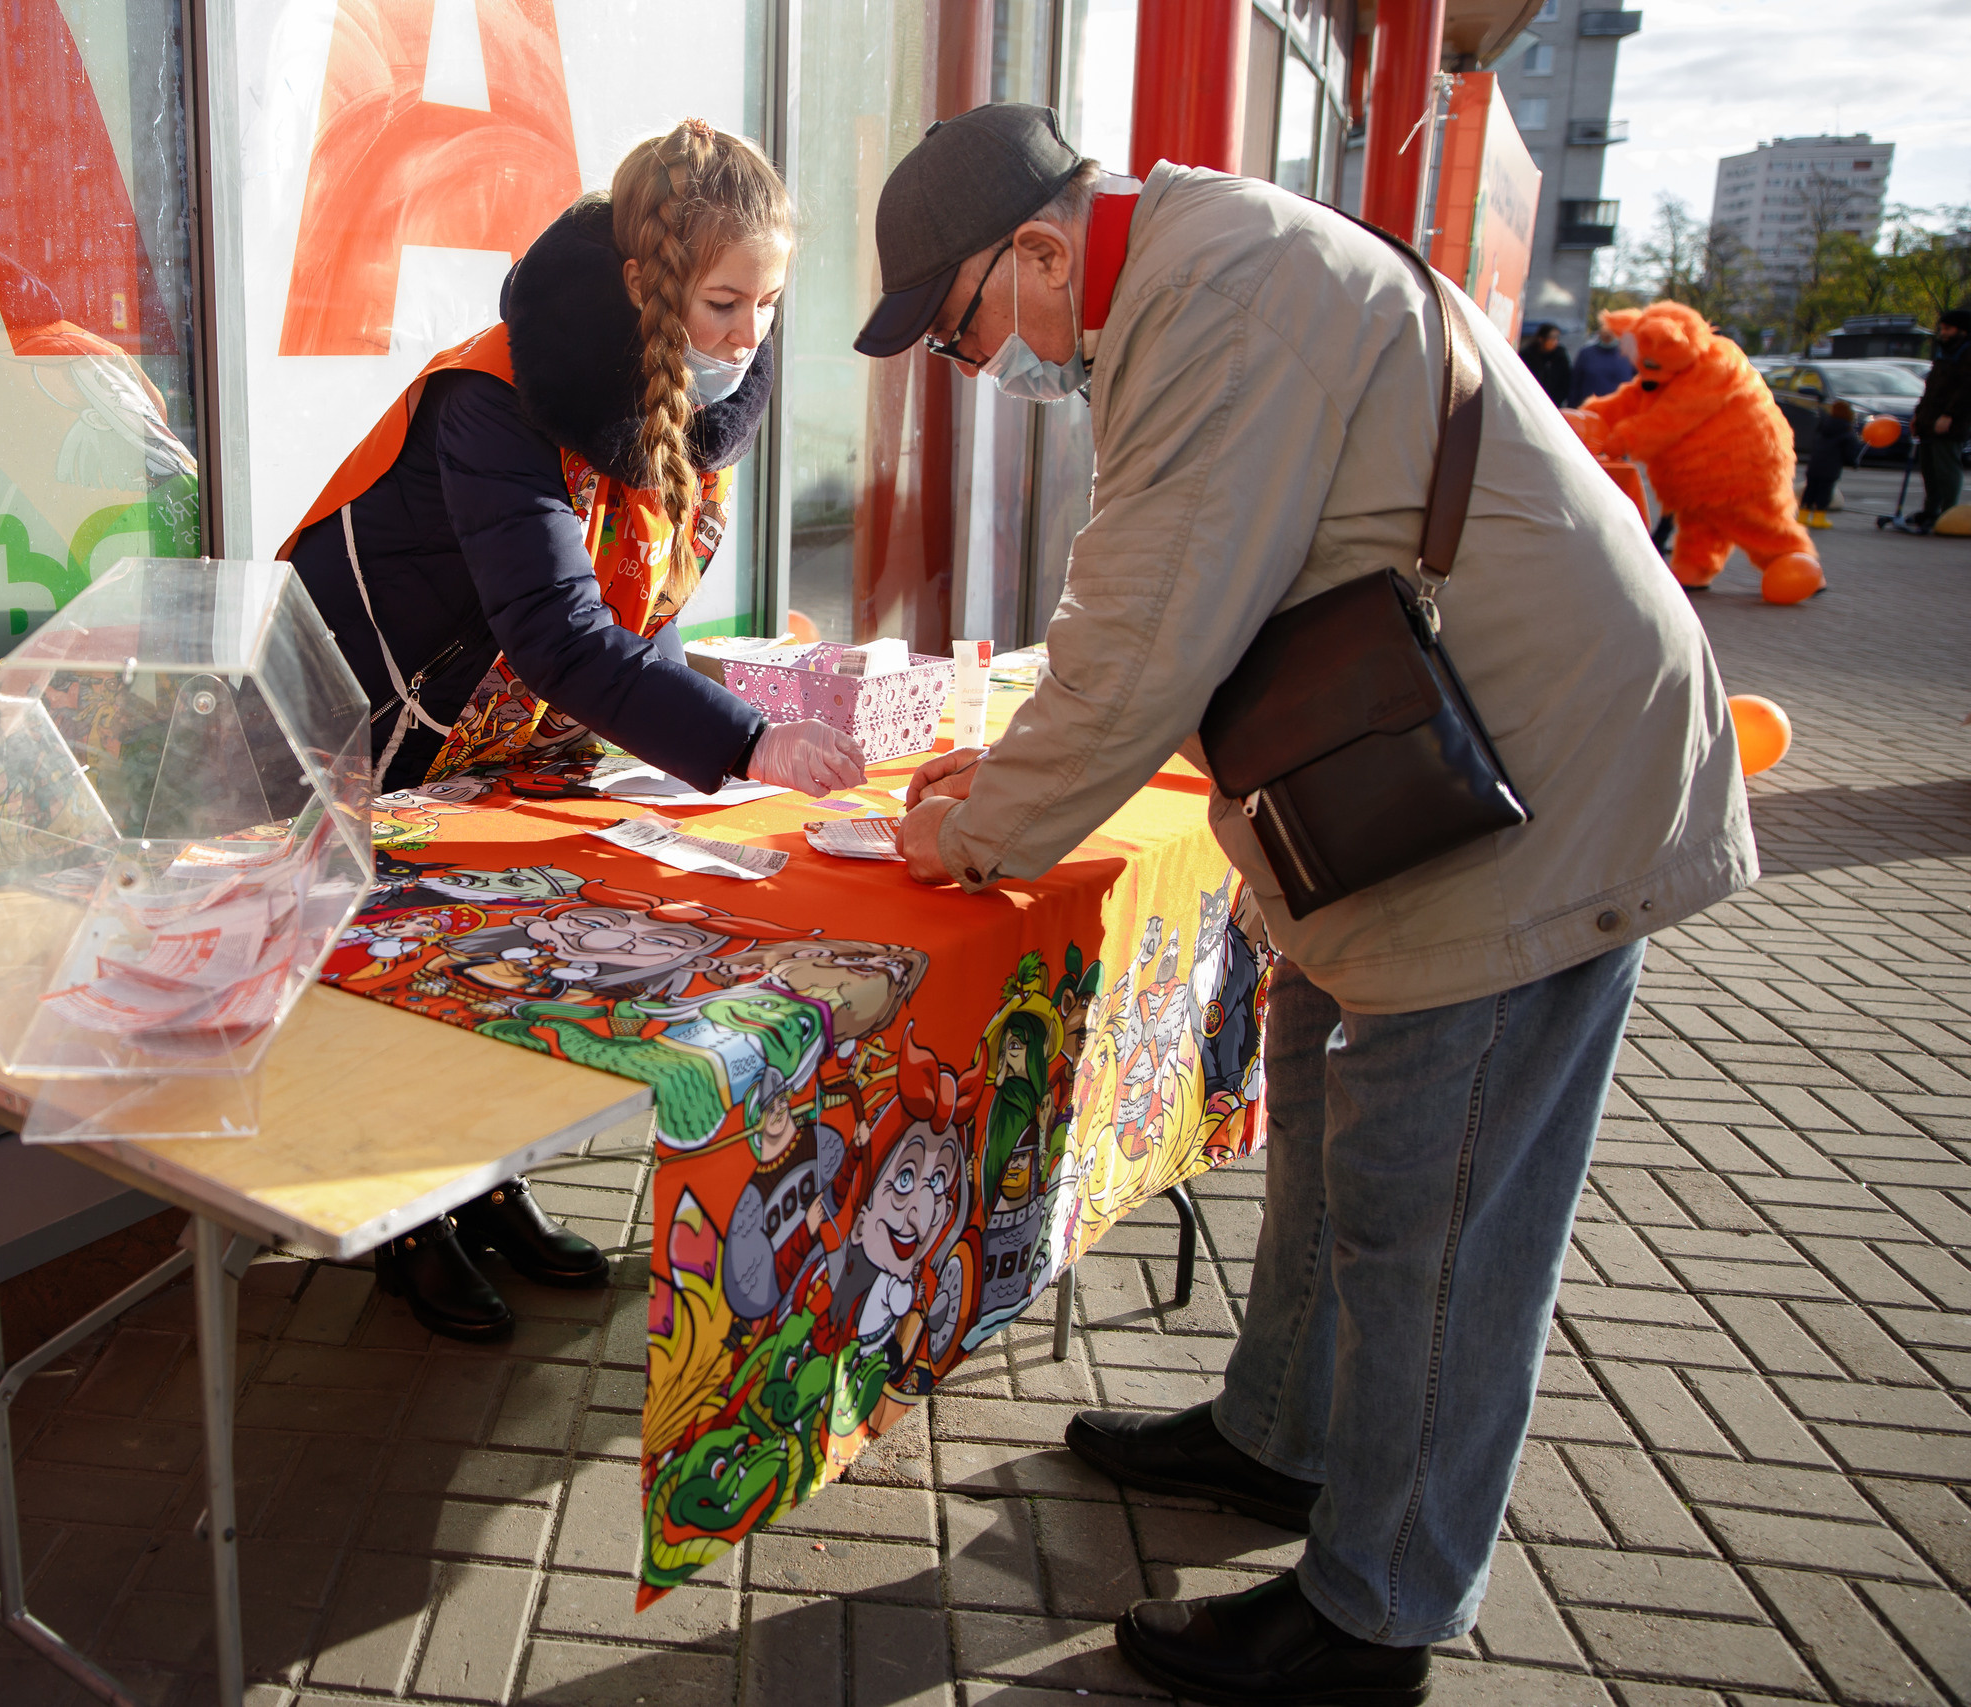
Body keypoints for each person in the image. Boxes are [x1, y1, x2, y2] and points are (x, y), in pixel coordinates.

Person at [853, 104, 1753, 1705]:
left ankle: (1378, 1607)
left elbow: (1145, 631)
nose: (975, 364)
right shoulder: (1195, 270)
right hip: (1430, 772)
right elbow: (1164, 595)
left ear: (1044, 251)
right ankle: (1286, 1431)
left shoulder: (1216, 295)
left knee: (1437, 1205)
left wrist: (983, 827)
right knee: (1331, 1097)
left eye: (965, 324)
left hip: (1522, 789)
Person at [283, 120, 864, 1343]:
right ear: (640, 288)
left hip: (491, 733)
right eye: (721, 303)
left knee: (489, 949)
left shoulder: (679, 395)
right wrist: (746, 742)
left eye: (765, 304)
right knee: (404, 968)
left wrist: (713, 724)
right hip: (368, 721)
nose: (746, 338)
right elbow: (557, 630)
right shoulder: (490, 395)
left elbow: (627, 611)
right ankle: (398, 1221)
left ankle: (483, 1188)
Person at [1904, 307, 1969, 533]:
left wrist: (1949, 415)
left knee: (1946, 467)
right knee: (1929, 467)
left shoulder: (1966, 355)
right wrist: (1919, 415)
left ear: (1963, 331)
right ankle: (1930, 510)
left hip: (1950, 423)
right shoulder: (1944, 353)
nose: (1943, 332)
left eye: (1948, 328)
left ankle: (1947, 512)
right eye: (1942, 328)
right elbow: (1931, 388)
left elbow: (1965, 391)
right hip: (1929, 420)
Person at [1800, 397, 1863, 527]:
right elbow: (1849, 453)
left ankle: (1802, 516)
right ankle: (1819, 518)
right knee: (1824, 493)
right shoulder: (1847, 432)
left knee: (1810, 490)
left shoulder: (1823, 425)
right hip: (1830, 467)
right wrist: (1854, 463)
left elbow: (1814, 442)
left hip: (1815, 464)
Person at [1571, 319, 1635, 402]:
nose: (1607, 333)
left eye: (1611, 330)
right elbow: (1575, 384)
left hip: (1620, 408)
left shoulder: (1628, 354)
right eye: (1604, 329)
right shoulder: (1586, 353)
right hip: (1589, 408)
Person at [1518, 321, 1572, 406]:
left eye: (1557, 338)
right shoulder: (1527, 355)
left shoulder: (1560, 356)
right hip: (1529, 400)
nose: (1555, 341)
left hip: (1553, 403)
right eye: (1552, 338)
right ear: (1541, 338)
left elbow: (1566, 381)